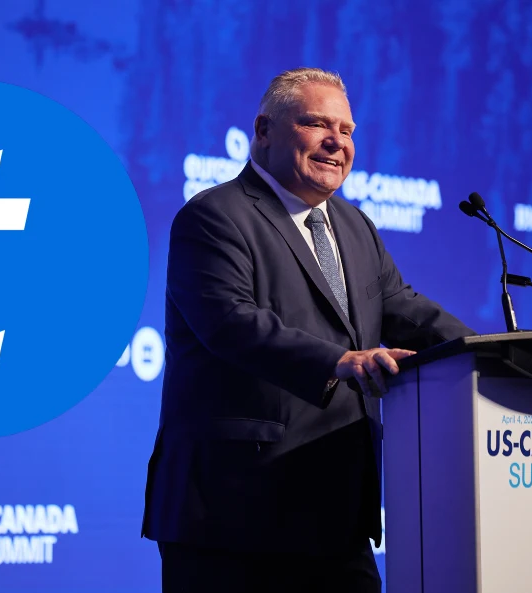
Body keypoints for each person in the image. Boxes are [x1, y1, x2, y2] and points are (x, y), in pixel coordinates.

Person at [141, 67, 473, 593]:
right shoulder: (214, 218)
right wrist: (341, 361)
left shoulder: (353, 225)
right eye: (316, 124)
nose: (336, 142)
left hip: (336, 516)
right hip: (233, 517)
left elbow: (401, 306)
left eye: (346, 130)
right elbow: (230, 323)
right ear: (265, 129)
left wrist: (482, 354)